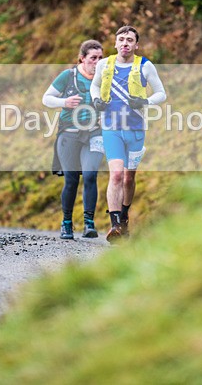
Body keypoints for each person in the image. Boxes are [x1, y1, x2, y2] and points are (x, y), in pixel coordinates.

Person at [90, 26, 166, 242]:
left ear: (136, 45)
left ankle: (124, 216)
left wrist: (145, 101)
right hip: (110, 127)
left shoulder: (145, 65)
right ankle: (114, 225)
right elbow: (95, 86)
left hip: (135, 129)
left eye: (129, 40)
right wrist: (96, 99)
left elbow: (161, 93)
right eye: (121, 39)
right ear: (115, 44)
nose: (125, 43)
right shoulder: (104, 65)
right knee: (115, 174)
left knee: (128, 177)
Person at [42, 40, 104, 239]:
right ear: (82, 59)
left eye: (101, 58)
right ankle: (67, 223)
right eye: (93, 58)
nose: (97, 62)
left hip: (95, 132)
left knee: (90, 175)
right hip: (69, 133)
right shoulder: (68, 76)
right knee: (71, 180)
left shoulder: (105, 79)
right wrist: (64, 102)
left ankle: (89, 224)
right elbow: (47, 98)